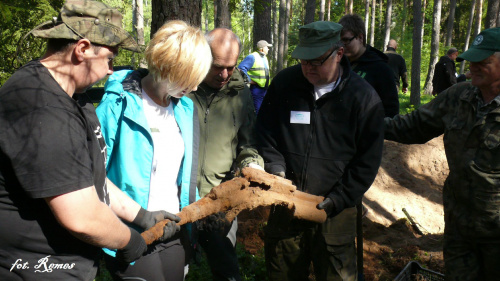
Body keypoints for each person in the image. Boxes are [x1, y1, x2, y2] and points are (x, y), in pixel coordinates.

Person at [0, 1, 178, 280]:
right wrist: (131, 241)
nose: (111, 70)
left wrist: (143, 216)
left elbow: (87, 176)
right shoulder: (39, 104)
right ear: (82, 49)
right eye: (110, 58)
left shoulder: (74, 97)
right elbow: (80, 214)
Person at [256, 21, 385, 281]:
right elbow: (266, 133)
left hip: (335, 211)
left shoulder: (363, 99)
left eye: (315, 61)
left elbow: (367, 161)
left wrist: (337, 199)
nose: (308, 68)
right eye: (304, 61)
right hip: (286, 201)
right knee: (282, 272)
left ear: (339, 53)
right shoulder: (285, 84)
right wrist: (276, 171)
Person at [96, 20, 212, 281]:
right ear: (167, 66)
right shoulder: (118, 103)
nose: (193, 88)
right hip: (129, 229)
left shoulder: (184, 108)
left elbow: (183, 172)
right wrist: (137, 219)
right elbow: (91, 173)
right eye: (188, 79)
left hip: (173, 228)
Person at [384, 27, 500, 280]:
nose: (473, 67)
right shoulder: (459, 96)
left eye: (483, 61)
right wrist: (365, 122)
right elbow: (411, 127)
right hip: (460, 229)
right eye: (471, 60)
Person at [186, 28, 264, 281]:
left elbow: (248, 142)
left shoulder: (239, 92)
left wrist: (252, 163)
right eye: (217, 66)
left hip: (218, 198)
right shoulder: (182, 86)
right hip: (176, 198)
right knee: (174, 270)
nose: (224, 75)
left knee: (227, 270)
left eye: (230, 67)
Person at [339, 14, 399, 117]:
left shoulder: (381, 69)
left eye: (346, 40)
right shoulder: (337, 65)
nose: (342, 45)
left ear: (360, 37)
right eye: (339, 41)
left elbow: (391, 111)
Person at [238, 40, 272, 113]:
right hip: (256, 89)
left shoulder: (264, 58)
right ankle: (255, 124)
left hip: (264, 89)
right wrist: (249, 80)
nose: (268, 49)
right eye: (267, 47)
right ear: (262, 48)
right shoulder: (252, 57)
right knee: (258, 111)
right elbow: (241, 68)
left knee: (264, 110)